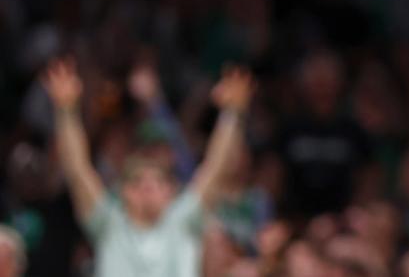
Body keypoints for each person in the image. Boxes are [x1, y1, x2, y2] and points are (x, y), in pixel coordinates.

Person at [42, 57, 254, 277]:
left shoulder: (184, 220)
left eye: (158, 181)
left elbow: (216, 169)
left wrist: (233, 113)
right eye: (137, 181)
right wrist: (66, 111)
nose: (147, 186)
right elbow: (77, 171)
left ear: (171, 192)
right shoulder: (109, 224)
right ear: (124, 192)